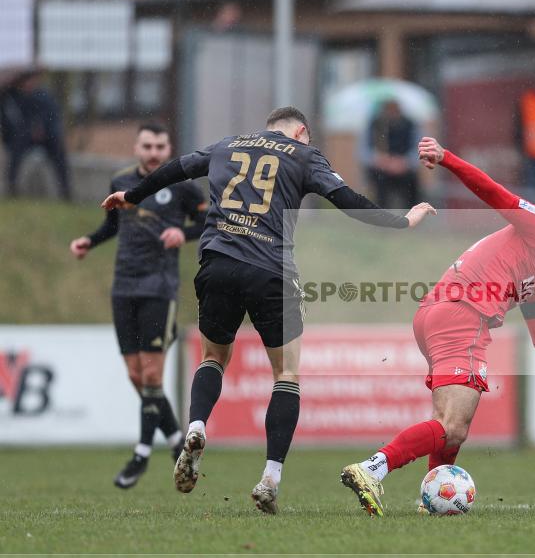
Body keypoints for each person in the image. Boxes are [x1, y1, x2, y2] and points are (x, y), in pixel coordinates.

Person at [101, 107, 435, 514]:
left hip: (218, 262)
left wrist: (131, 196)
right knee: (287, 374)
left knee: (212, 357)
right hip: (270, 271)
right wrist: (402, 220)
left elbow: (176, 169)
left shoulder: (228, 145)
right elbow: (347, 200)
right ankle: (270, 478)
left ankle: (196, 427)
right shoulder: (303, 155)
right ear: (300, 132)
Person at [340, 136, 535, 517]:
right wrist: (447, 159)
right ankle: (371, 469)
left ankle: (430, 499)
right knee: (454, 427)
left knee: (446, 424)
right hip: (465, 316)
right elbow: (494, 192)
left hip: (436, 314)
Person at [69, 123, 207, 489]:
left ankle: (141, 454)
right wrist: (88, 240)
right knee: (136, 376)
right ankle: (177, 441)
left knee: (150, 375)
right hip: (124, 285)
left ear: (168, 147)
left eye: (160, 146)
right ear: (136, 147)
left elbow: (210, 221)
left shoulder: (182, 186)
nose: (153, 153)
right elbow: (112, 225)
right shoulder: (120, 180)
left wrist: (185, 233)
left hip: (159, 288)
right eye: (147, 146)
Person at [1, 68, 71, 200]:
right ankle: (12, 188)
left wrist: (43, 129)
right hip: (21, 138)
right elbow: (12, 123)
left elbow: (52, 118)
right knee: (16, 151)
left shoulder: (43, 96)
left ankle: (65, 191)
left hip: (46, 137)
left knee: (58, 151)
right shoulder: (11, 97)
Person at [359, 99, 421, 208]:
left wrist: (403, 162)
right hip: (380, 170)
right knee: (380, 189)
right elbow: (364, 152)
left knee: (412, 191)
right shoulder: (374, 126)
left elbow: (418, 151)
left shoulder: (410, 125)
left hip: (405, 169)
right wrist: (380, 160)